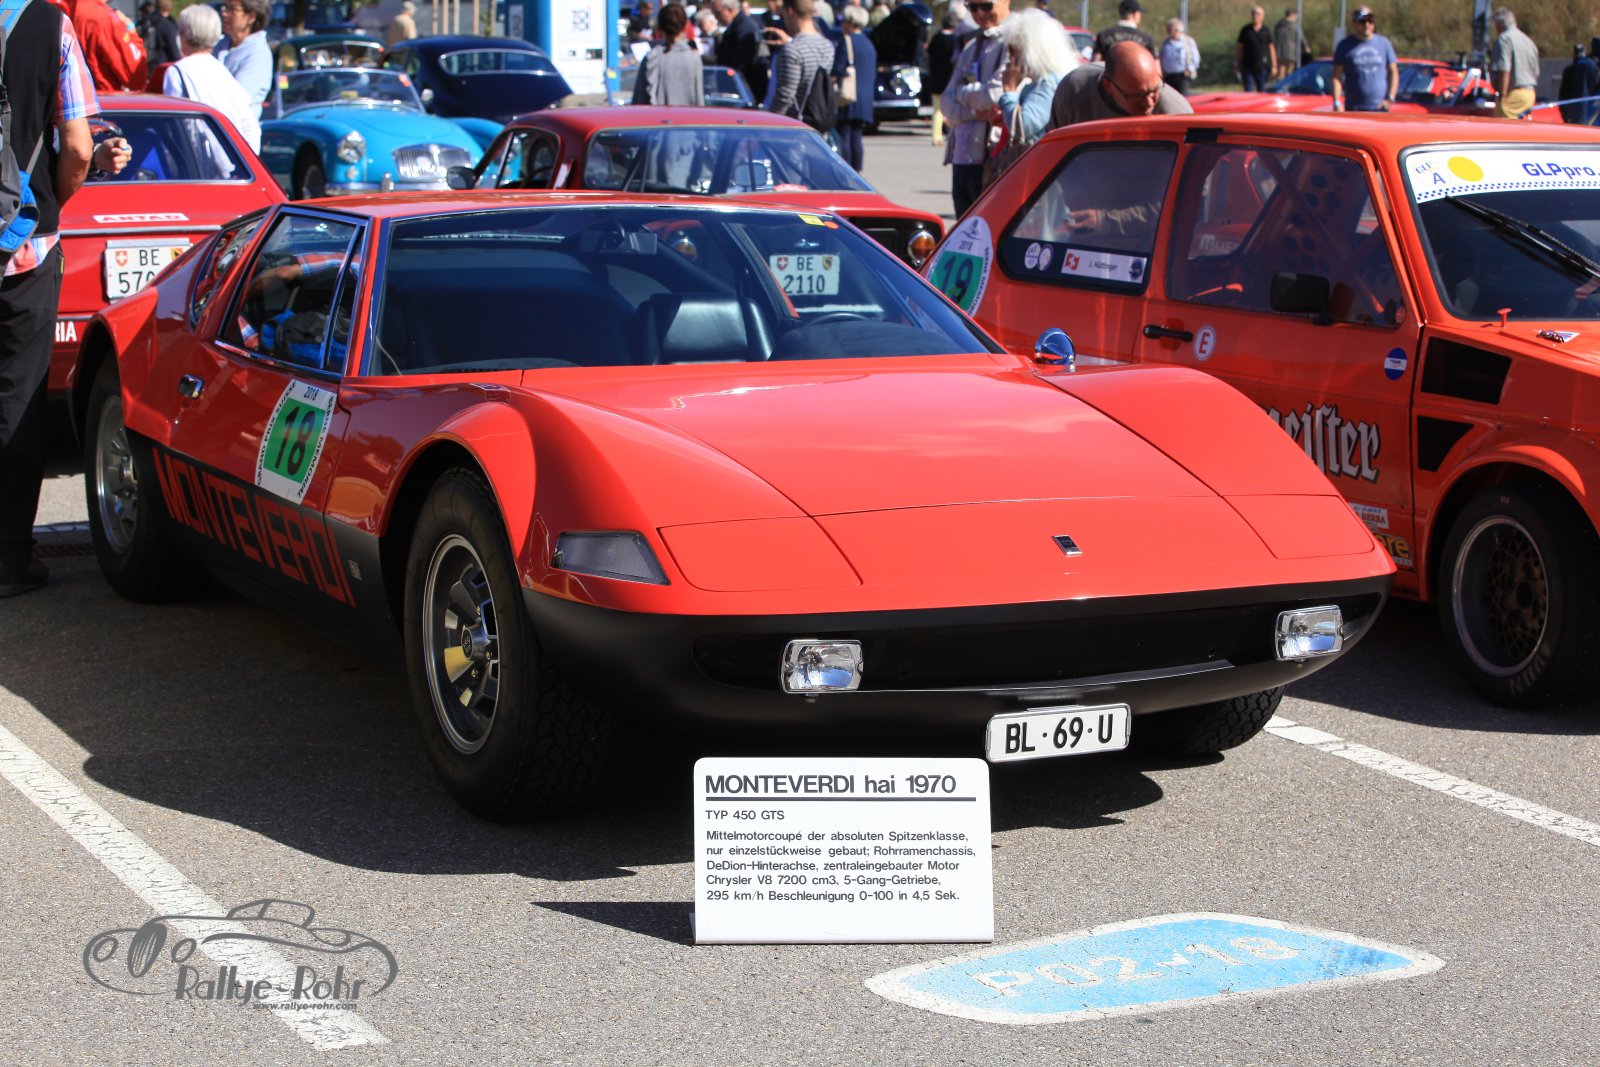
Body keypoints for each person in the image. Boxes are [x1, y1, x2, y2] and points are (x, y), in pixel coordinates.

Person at [0, 0, 131, 597]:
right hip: (23, 249)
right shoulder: (50, 26)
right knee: (17, 400)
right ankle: (9, 558)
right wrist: (45, 209)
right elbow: (78, 146)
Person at [938, 0, 1009, 217]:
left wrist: (961, 94)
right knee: (963, 226)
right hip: (961, 156)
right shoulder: (971, 45)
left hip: (991, 158)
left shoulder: (1012, 42)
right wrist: (973, 111)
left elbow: (994, 95)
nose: (979, 13)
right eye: (972, 7)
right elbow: (946, 101)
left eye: (986, 6)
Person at [164, 3, 260, 151]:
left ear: (184, 35)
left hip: (202, 160)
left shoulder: (177, 71)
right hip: (236, 158)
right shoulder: (222, 70)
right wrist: (247, 157)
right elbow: (249, 121)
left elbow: (178, 126)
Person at [1047, 38, 1192, 129]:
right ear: (1108, 86)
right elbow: (1053, 150)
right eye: (1138, 95)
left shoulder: (1176, 114)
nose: (1149, 102)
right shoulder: (1074, 92)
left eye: (1155, 90)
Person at [996, 8, 1074, 145]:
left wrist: (1009, 91)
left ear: (1032, 50)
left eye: (1013, 49)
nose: (1010, 56)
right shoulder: (1045, 81)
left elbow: (1022, 127)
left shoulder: (1048, 83)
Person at [763, 0, 835, 121]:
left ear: (790, 11)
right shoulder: (827, 46)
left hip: (793, 124)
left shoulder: (792, 50)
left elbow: (785, 96)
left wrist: (769, 122)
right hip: (817, 120)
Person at [55, 0, 148, 91]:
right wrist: (131, 32)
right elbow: (135, 78)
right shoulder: (104, 18)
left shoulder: (62, 7)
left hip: (67, 94)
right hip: (102, 96)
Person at [632, 3, 705, 105]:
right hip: (687, 115)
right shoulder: (694, 58)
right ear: (685, 26)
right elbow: (699, 98)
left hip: (657, 114)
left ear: (660, 27)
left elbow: (639, 99)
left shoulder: (652, 58)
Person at [832, 5, 875, 171]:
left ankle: (846, 170)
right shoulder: (869, 44)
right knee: (856, 136)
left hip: (847, 95)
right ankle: (857, 170)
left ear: (851, 22)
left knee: (844, 135)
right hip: (865, 97)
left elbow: (838, 68)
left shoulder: (847, 41)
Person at [1330, 6, 1396, 112]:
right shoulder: (1345, 46)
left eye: (1370, 21)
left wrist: (1390, 98)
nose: (1367, 25)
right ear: (1354, 23)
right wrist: (1336, 102)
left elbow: (1393, 72)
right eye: (1362, 21)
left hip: (1380, 109)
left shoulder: (1384, 44)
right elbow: (1336, 77)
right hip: (1354, 109)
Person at [214, 0, 271, 114]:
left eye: (232, 10)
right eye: (225, 8)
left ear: (251, 17)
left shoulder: (258, 53)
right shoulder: (220, 45)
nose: (224, 13)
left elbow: (236, 99)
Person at [926, 4, 965, 146]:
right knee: (950, 109)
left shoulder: (936, 38)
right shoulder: (955, 40)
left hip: (936, 78)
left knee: (937, 110)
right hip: (949, 79)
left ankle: (936, 136)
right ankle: (949, 134)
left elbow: (929, 54)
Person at [1490, 7, 1539, 119]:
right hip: (1530, 93)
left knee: (1501, 124)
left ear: (1498, 26)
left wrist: (1502, 95)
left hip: (1514, 94)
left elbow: (1504, 69)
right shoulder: (1528, 41)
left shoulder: (1504, 39)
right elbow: (1535, 71)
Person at [714, 0, 767, 101]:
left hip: (744, 90)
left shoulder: (744, 28)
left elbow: (743, 62)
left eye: (718, 13)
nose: (716, 17)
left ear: (730, 10)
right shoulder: (736, 26)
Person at [1556, 39, 1600, 125]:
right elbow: (1582, 98)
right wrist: (1580, 124)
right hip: (1584, 122)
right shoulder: (1587, 66)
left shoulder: (1589, 65)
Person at [1233, 6, 1275, 92]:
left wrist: (1274, 65)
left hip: (1262, 66)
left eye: (1258, 14)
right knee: (1249, 90)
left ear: (1262, 17)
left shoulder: (1266, 30)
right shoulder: (1246, 30)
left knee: (1262, 90)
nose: (1255, 16)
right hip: (1247, 66)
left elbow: (1271, 48)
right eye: (1253, 14)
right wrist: (1236, 63)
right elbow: (1239, 48)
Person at [1159, 16, 1199, 96]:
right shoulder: (1166, 43)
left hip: (1182, 76)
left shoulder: (1188, 41)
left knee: (1183, 98)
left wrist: (1189, 69)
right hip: (1168, 77)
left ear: (1177, 30)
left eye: (1170, 29)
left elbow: (1195, 58)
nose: (1168, 32)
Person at [140, 0, 180, 67]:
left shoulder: (144, 22)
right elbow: (174, 52)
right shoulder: (168, 25)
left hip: (144, 64)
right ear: (169, 7)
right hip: (162, 67)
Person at [1273, 8, 1300, 80]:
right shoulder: (1294, 25)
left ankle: (1281, 83)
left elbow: (1275, 37)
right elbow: (1300, 38)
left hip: (1279, 51)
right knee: (1289, 73)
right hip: (1291, 52)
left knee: (1281, 71)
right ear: (1292, 15)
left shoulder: (1278, 25)